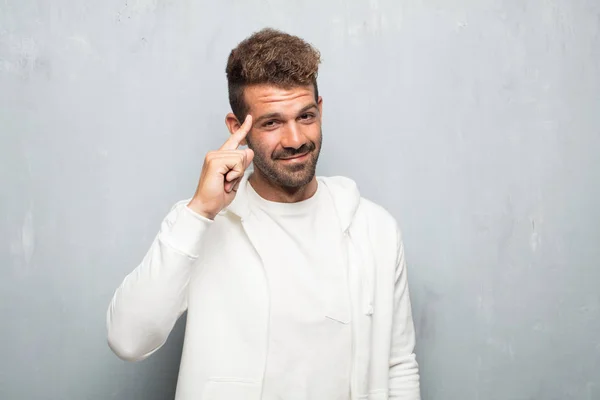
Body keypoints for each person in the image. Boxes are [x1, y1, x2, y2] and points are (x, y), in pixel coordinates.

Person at [106, 28, 421, 400]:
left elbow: (398, 365)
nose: (295, 140)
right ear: (237, 128)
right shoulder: (202, 225)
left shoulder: (374, 229)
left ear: (320, 109)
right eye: (272, 122)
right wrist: (200, 212)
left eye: (305, 116)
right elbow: (128, 340)